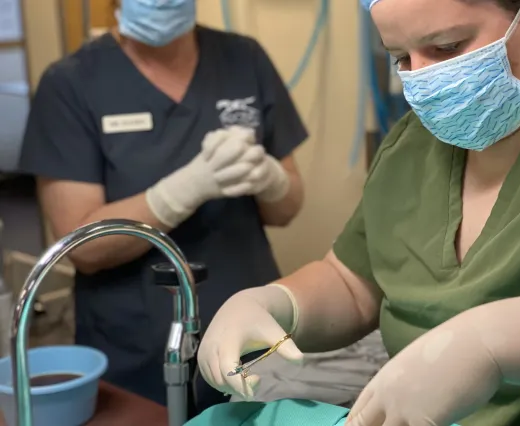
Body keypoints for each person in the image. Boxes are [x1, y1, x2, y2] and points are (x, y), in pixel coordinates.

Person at [197, 0, 520, 425]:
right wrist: (276, 304)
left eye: (447, 47)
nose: (424, 74)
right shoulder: (412, 145)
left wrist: (493, 344)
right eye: (401, 58)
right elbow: (354, 283)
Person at [18, 0, 307, 411]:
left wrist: (271, 180)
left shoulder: (244, 58)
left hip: (249, 332)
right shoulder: (71, 84)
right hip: (137, 350)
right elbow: (82, 248)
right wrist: (183, 190)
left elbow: (286, 210)